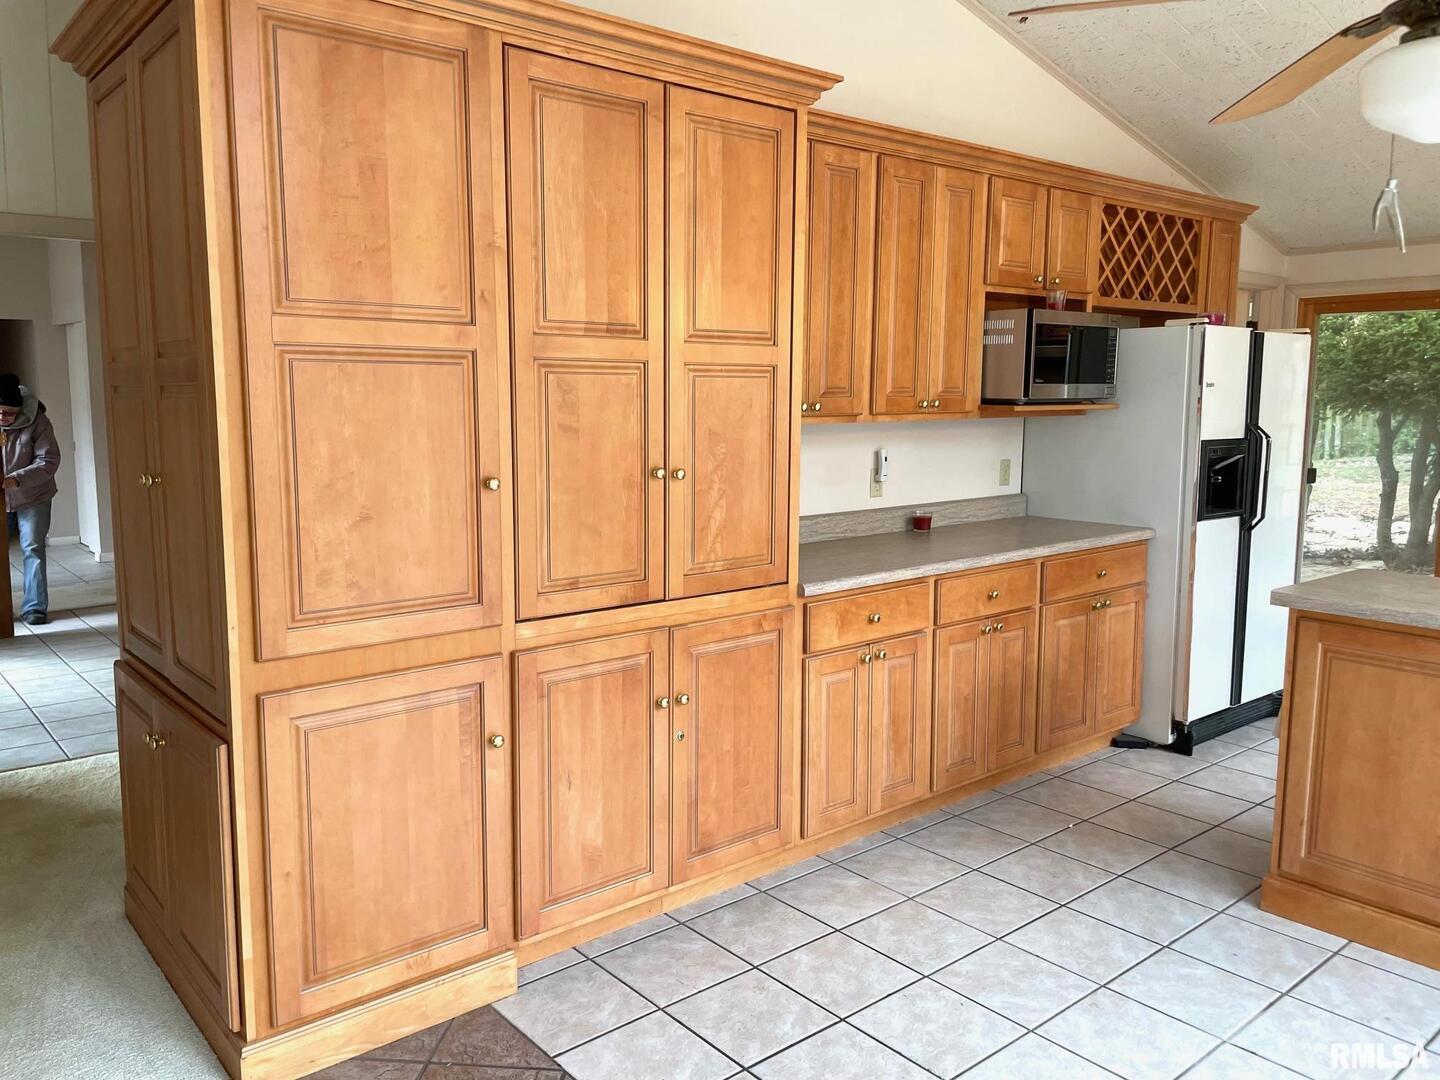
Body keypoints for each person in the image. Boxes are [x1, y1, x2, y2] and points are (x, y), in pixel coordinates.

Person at [0, 374, 61, 625]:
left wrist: (16, 479)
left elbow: (48, 461)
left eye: (9, 413)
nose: (3, 418)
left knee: (32, 548)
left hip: (33, 494)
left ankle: (34, 607)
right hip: (0, 497)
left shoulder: (38, 421)